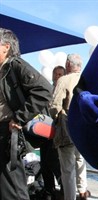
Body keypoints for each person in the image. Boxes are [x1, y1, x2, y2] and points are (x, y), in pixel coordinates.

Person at [0, 28, 53, 199]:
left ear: (6, 47)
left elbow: (44, 90)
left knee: (13, 187)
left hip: (8, 132)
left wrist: (19, 117)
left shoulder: (15, 65)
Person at [50, 54, 90, 200]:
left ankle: (70, 197)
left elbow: (54, 106)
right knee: (81, 160)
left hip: (67, 127)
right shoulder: (87, 79)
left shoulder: (63, 80)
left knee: (67, 168)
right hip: (85, 128)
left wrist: (56, 118)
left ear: (68, 64)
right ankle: (83, 191)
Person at [38, 66, 67, 200]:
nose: (57, 76)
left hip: (59, 132)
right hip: (45, 131)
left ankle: (63, 188)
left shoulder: (65, 90)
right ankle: (48, 191)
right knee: (44, 163)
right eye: (55, 74)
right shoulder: (47, 89)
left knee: (55, 162)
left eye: (60, 74)